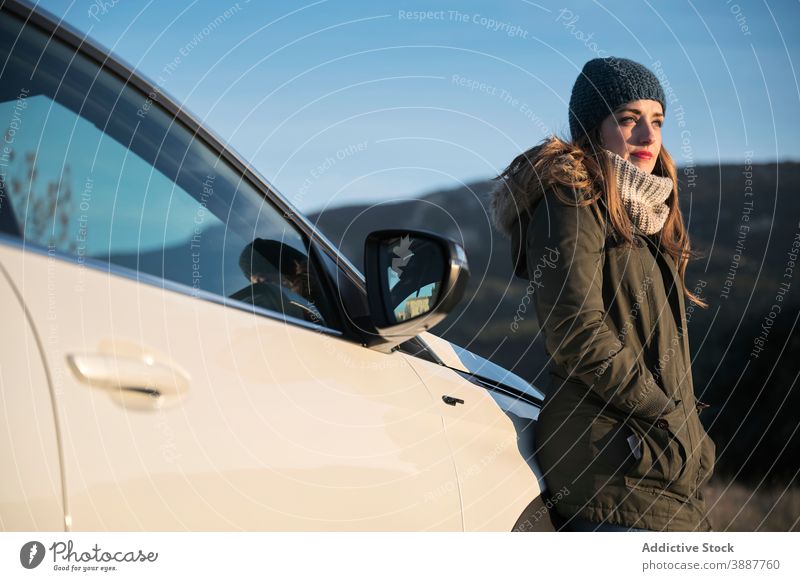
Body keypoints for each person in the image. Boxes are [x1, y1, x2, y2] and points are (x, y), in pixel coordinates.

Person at [490, 57, 716, 532]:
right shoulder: (573, 199)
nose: (648, 137)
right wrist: (665, 412)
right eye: (629, 120)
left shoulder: (646, 212)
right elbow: (576, 329)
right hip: (612, 460)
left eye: (657, 121)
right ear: (593, 127)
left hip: (653, 459)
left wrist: (689, 434)